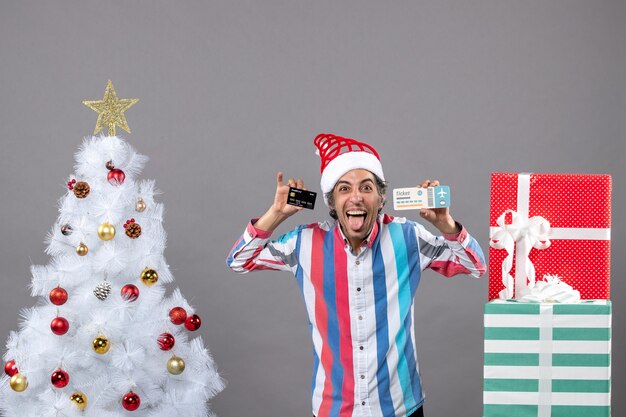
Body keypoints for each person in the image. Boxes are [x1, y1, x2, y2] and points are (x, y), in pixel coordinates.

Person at [226, 133, 486, 417]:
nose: (356, 197)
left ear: (381, 197)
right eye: (344, 189)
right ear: (332, 201)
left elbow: (475, 266)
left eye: (366, 187)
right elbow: (239, 260)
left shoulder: (408, 236)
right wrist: (275, 215)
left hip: (401, 409)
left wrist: (445, 224)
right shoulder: (304, 242)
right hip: (333, 409)